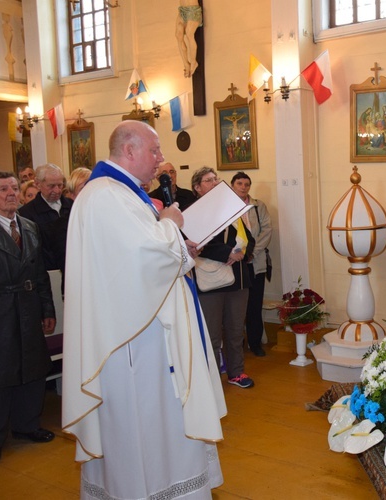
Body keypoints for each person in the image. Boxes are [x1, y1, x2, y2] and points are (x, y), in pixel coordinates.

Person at [62, 121, 226, 498]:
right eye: (154, 151)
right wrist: (170, 226)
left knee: (160, 425)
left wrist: (181, 246)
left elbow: (149, 254)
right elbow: (141, 260)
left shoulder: (121, 193)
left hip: (146, 333)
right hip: (134, 341)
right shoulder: (105, 194)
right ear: (129, 150)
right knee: (145, 427)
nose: (161, 159)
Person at [0, 172, 57, 463]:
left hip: (29, 307)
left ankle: (27, 425)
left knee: (32, 369)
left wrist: (48, 309)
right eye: (3, 189)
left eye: (14, 188)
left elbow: (40, 274)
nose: (11, 193)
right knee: (3, 372)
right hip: (2, 311)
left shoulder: (30, 227)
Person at [192, 167, 256, 388]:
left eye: (215, 179)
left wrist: (242, 254)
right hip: (212, 281)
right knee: (212, 333)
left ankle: (236, 372)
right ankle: (210, 378)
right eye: (208, 180)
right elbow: (196, 244)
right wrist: (227, 253)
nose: (214, 182)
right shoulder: (193, 213)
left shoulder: (231, 210)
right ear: (197, 188)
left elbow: (250, 239)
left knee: (236, 329)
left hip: (238, 278)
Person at [231, 172, 272, 357]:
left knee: (255, 304)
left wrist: (252, 253)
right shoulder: (226, 207)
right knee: (236, 307)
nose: (243, 187)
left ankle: (255, 343)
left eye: (247, 184)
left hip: (255, 262)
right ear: (232, 185)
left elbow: (267, 230)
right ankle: (236, 344)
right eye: (239, 183)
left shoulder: (258, 206)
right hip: (234, 262)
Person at [18, 164, 72, 273]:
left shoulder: (72, 206)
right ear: (38, 184)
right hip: (46, 272)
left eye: (60, 185)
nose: (57, 191)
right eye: (51, 186)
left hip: (72, 268)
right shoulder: (26, 213)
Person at [176, 0, 202, 77]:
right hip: (182, 10)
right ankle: (186, 64)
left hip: (192, 9)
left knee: (189, 34)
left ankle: (194, 62)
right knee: (178, 35)